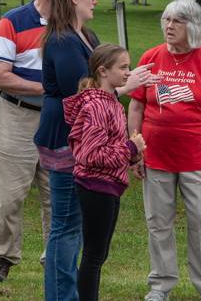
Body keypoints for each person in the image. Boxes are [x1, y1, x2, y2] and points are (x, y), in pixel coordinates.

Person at [34, 0, 157, 301]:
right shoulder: (61, 40)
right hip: (63, 140)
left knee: (75, 227)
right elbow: (85, 95)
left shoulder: (86, 36)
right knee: (66, 226)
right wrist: (129, 85)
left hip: (82, 143)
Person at [128, 0, 201, 301]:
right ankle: (160, 286)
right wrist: (135, 150)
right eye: (166, 20)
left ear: (195, 26)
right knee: (158, 223)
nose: (169, 26)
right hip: (156, 157)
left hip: (197, 159)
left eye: (177, 21)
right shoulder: (151, 57)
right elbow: (135, 105)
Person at [0, 0, 70, 282]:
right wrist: (47, 87)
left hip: (57, 119)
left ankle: (56, 260)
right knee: (9, 193)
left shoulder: (71, 25)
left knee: (58, 193)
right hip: (16, 115)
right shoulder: (14, 21)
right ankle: (1, 258)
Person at [65, 44, 146, 301]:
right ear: (102, 70)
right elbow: (91, 155)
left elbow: (110, 148)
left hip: (109, 185)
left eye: (128, 67)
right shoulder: (96, 107)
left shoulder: (111, 102)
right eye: (122, 67)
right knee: (93, 255)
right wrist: (130, 146)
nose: (128, 73)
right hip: (94, 185)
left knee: (99, 254)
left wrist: (132, 153)